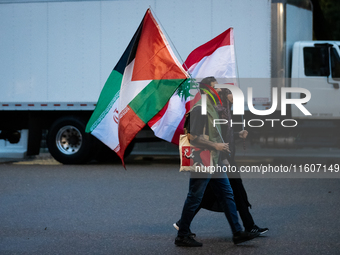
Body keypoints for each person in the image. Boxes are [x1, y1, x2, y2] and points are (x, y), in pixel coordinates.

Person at [174, 77, 259, 247]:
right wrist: (216, 145)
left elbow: (216, 133)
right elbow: (193, 137)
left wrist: (223, 148)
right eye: (215, 87)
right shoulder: (200, 110)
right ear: (207, 90)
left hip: (215, 159)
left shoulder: (212, 109)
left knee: (227, 194)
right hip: (203, 160)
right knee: (195, 197)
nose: (219, 90)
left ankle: (237, 232)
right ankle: (182, 235)